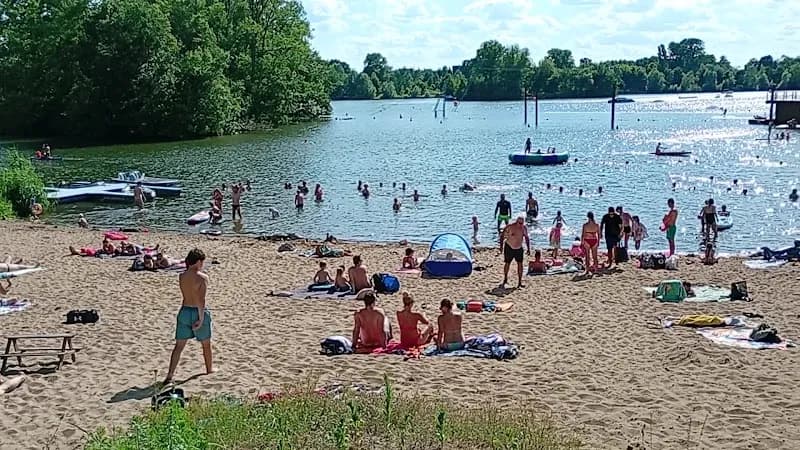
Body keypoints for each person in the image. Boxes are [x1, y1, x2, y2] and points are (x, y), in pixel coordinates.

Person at [164, 249, 214, 383]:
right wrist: (201, 318)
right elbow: (201, 300)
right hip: (197, 311)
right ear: (198, 262)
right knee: (206, 344)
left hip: (184, 311)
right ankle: (209, 369)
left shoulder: (182, 276)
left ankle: (170, 374)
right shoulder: (202, 278)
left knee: (179, 346)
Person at [500, 215, 531, 288]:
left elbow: (526, 238)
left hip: (519, 248)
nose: (521, 225)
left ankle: (520, 282)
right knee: (507, 263)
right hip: (509, 247)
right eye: (520, 223)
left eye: (522, 223)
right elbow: (502, 236)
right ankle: (505, 279)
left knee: (520, 264)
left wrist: (528, 248)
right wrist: (501, 247)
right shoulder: (510, 227)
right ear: (516, 222)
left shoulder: (524, 228)